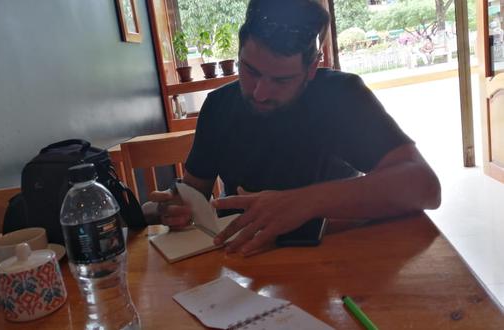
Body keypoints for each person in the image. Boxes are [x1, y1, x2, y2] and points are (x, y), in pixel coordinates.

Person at [145, 0, 441, 256]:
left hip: (335, 258)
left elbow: (425, 187)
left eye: (281, 80)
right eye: (249, 71)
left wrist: (306, 202)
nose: (260, 92)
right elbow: (193, 194)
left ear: (311, 70)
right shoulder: (218, 107)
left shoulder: (341, 96)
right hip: (242, 264)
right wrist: (178, 208)